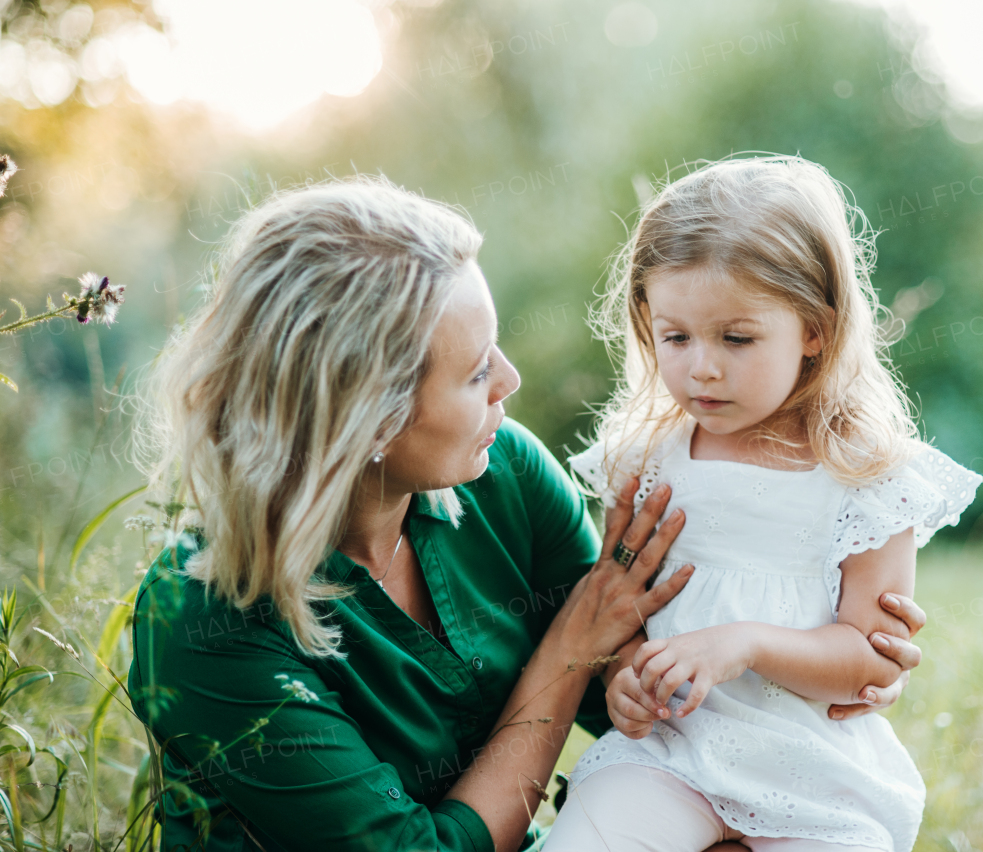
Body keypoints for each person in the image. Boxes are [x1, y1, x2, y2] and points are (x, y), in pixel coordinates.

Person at [126, 175, 926, 852]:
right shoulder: (202, 616)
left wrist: (810, 675)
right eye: (476, 373)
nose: (509, 382)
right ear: (363, 418)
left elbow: (639, 677)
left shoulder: (500, 470)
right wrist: (564, 657)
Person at [544, 157, 983, 852]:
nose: (702, 367)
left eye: (736, 338)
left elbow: (871, 658)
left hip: (815, 777)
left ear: (814, 329)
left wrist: (741, 644)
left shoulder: (863, 470)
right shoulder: (646, 459)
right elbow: (621, 609)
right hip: (671, 759)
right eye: (675, 336)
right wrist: (626, 674)